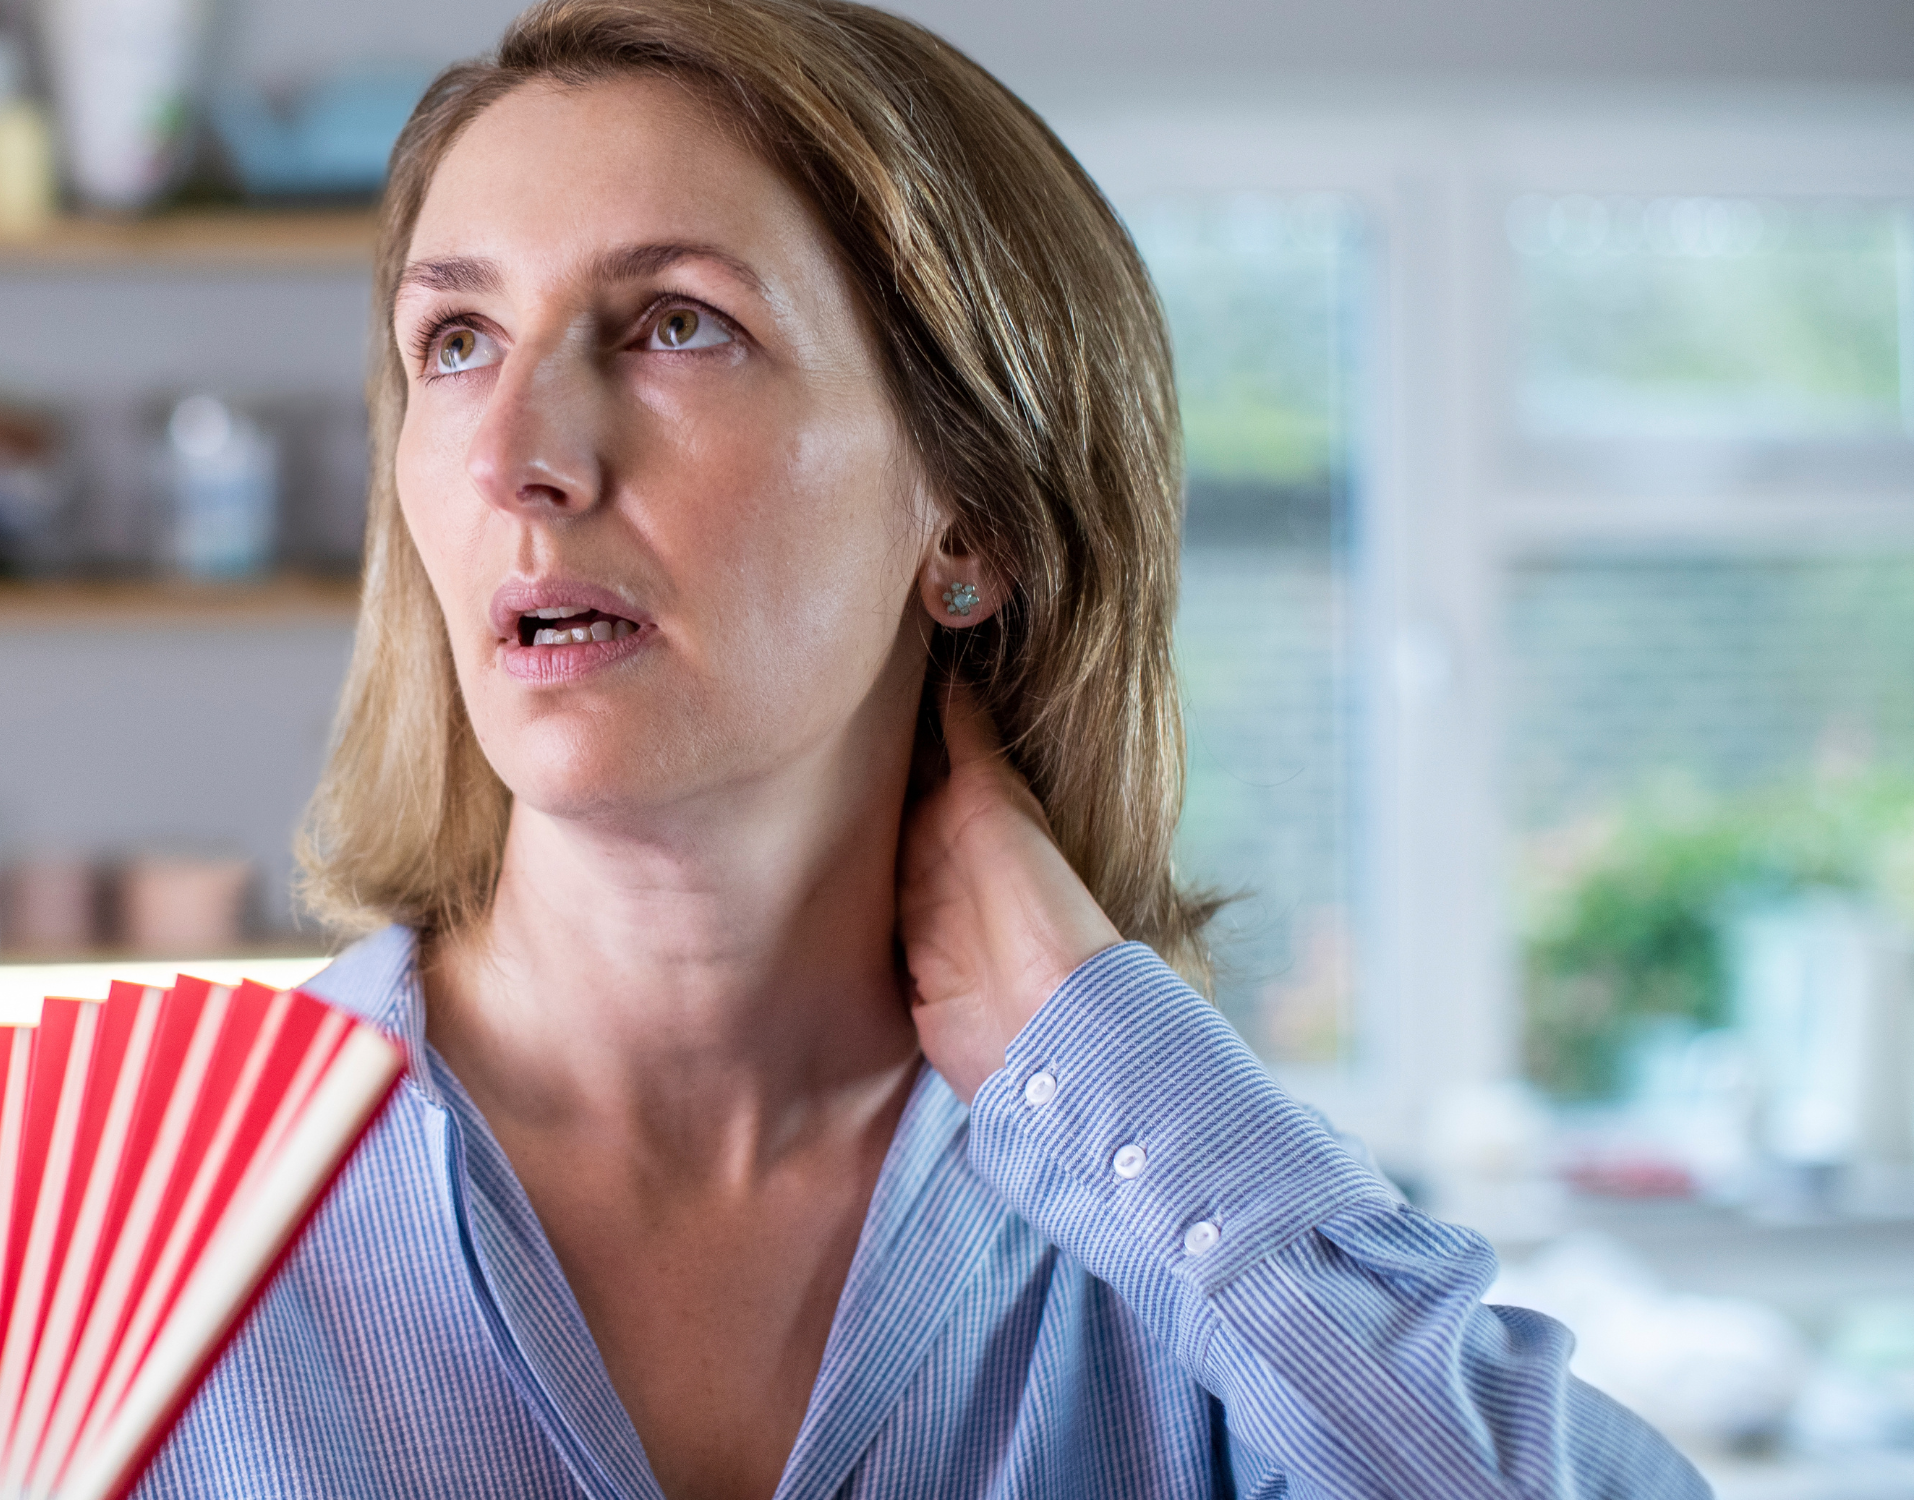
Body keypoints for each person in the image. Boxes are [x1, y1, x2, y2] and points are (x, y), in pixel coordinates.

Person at [139, 0, 1708, 1494]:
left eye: (677, 324)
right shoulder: (136, 1242)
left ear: (968, 519)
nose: (516, 456)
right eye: (459, 340)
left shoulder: (1176, 1236)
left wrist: (1094, 1054)